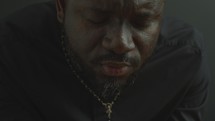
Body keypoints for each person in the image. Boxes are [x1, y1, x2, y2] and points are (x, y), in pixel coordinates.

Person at [0, 0, 210, 121]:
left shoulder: (185, 59)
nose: (121, 44)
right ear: (61, 8)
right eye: (98, 19)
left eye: (142, 21)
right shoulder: (13, 51)